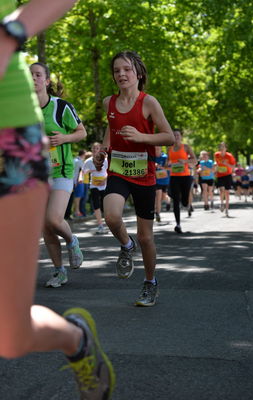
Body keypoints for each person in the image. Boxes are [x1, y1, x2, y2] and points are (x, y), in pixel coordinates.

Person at [0, 0, 115, 399]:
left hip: (10, 128)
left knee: (9, 335)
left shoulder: (57, 106)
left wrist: (10, 32)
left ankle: (76, 340)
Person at [96, 51, 174, 307]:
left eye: (126, 69)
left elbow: (168, 137)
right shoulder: (109, 102)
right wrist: (102, 154)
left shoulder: (148, 102)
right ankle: (126, 245)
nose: (121, 74)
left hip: (144, 174)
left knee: (146, 237)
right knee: (112, 216)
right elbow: (111, 130)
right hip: (118, 171)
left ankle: (150, 283)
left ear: (138, 73)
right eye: (117, 70)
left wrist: (143, 137)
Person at [30, 61, 86, 288]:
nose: (33, 78)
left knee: (54, 219)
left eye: (37, 74)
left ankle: (72, 241)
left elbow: (81, 132)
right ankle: (59, 271)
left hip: (62, 171)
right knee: (45, 227)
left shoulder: (60, 107)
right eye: (29, 75)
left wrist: (63, 138)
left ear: (46, 80)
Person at [168, 129, 197, 233]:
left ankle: (186, 204)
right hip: (174, 177)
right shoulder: (169, 148)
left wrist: (185, 161)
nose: (176, 136)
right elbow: (168, 163)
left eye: (177, 135)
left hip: (185, 177)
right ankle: (178, 224)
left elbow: (195, 160)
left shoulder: (186, 147)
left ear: (181, 137)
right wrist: (169, 164)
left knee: (184, 201)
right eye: (174, 135)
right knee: (175, 200)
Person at [83, 142, 109, 234]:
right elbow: (83, 172)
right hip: (94, 185)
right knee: (96, 205)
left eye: (97, 148)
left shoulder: (105, 160)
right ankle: (100, 225)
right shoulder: (88, 161)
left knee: (105, 206)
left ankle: (108, 224)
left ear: (100, 150)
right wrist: (86, 173)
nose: (94, 150)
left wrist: (104, 180)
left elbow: (111, 172)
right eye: (93, 148)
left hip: (104, 185)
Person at [214, 142, 236, 217]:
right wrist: (215, 168)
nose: (222, 148)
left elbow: (233, 167)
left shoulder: (229, 156)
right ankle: (221, 203)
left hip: (227, 175)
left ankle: (227, 209)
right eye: (220, 147)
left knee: (227, 192)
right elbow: (217, 164)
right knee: (221, 189)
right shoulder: (216, 154)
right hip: (220, 175)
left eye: (223, 147)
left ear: (226, 148)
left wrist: (226, 164)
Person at [154, 146, 170, 222]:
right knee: (158, 197)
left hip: (165, 180)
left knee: (164, 197)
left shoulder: (165, 157)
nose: (156, 150)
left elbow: (170, 168)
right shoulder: (152, 157)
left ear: (160, 149)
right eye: (155, 149)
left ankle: (168, 201)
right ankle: (157, 214)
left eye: (158, 149)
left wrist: (160, 167)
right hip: (156, 181)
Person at [73, 149, 86, 217]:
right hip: (78, 181)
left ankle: (76, 211)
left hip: (75, 181)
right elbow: (82, 171)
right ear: (83, 154)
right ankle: (77, 212)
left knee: (77, 197)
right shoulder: (79, 161)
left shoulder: (74, 159)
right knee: (78, 197)